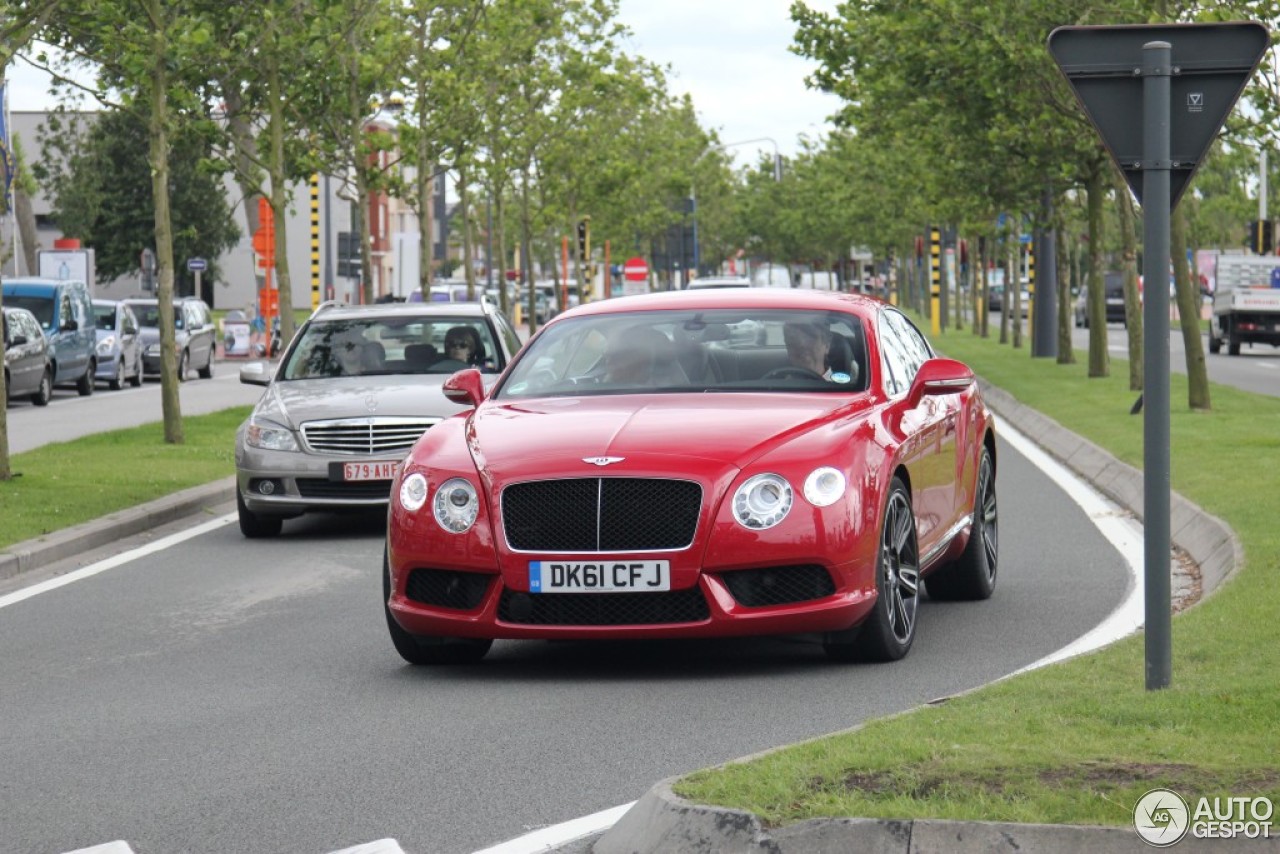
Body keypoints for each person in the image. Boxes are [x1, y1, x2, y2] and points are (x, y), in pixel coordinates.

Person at [602, 326, 670, 384]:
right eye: (606, 357)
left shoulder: (665, 383)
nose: (608, 362)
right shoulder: (605, 387)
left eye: (616, 357)